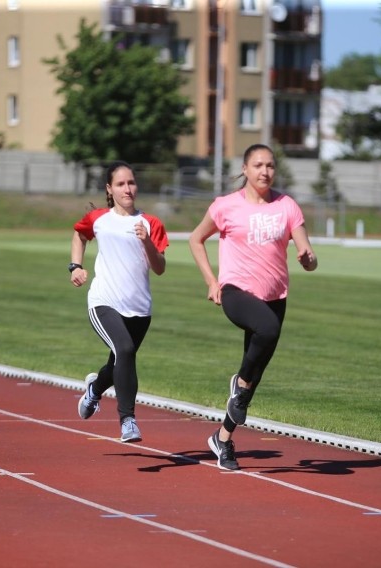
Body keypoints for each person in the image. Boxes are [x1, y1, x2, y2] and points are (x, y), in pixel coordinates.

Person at [188, 143, 318, 470]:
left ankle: (223, 440)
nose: (265, 171)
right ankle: (238, 386)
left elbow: (308, 255)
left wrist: (308, 258)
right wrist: (212, 281)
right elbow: (195, 239)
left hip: (275, 297)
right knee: (267, 331)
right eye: (258, 165)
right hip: (236, 291)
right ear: (245, 169)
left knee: (254, 376)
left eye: (270, 166)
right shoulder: (225, 207)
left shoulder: (287, 206)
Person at [70, 161, 168, 443]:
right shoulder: (98, 219)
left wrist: (147, 241)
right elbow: (79, 235)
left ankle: (94, 390)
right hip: (104, 301)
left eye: (132, 183)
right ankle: (128, 421)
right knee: (125, 350)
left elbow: (160, 268)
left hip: (139, 309)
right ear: (109, 189)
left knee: (118, 362)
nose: (128, 188)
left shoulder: (151, 223)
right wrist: (75, 266)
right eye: (121, 184)